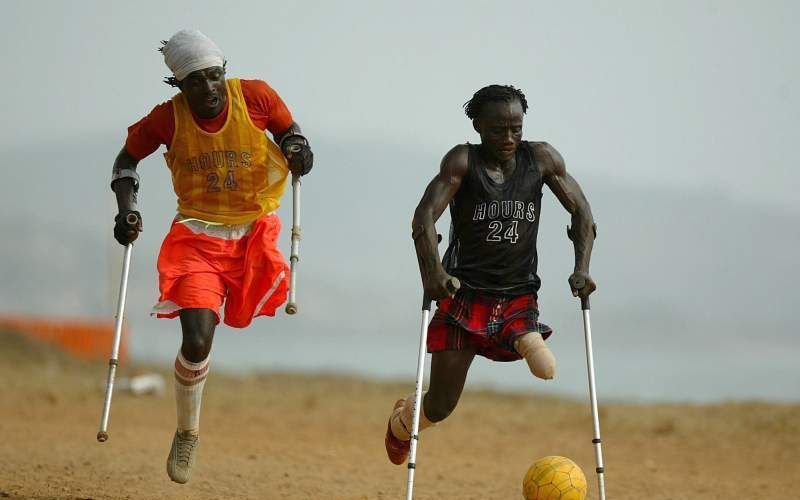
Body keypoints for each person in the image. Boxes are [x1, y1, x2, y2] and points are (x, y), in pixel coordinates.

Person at [110, 29, 314, 484]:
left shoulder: (257, 97)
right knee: (198, 337)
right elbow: (126, 160)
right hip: (196, 238)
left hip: (252, 232)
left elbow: (292, 134)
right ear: (180, 87)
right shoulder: (167, 119)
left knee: (231, 319)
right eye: (195, 81)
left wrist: (298, 148)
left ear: (224, 72)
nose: (208, 89)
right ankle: (188, 432)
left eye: (213, 76)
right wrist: (127, 211)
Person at [384, 84, 597, 465]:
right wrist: (432, 273)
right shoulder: (463, 162)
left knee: (545, 366)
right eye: (499, 130)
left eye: (516, 128)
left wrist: (582, 269)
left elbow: (582, 212)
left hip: (517, 295)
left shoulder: (542, 159)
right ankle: (402, 422)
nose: (510, 138)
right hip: (463, 294)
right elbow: (423, 218)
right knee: (442, 405)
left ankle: (527, 338)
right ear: (479, 126)